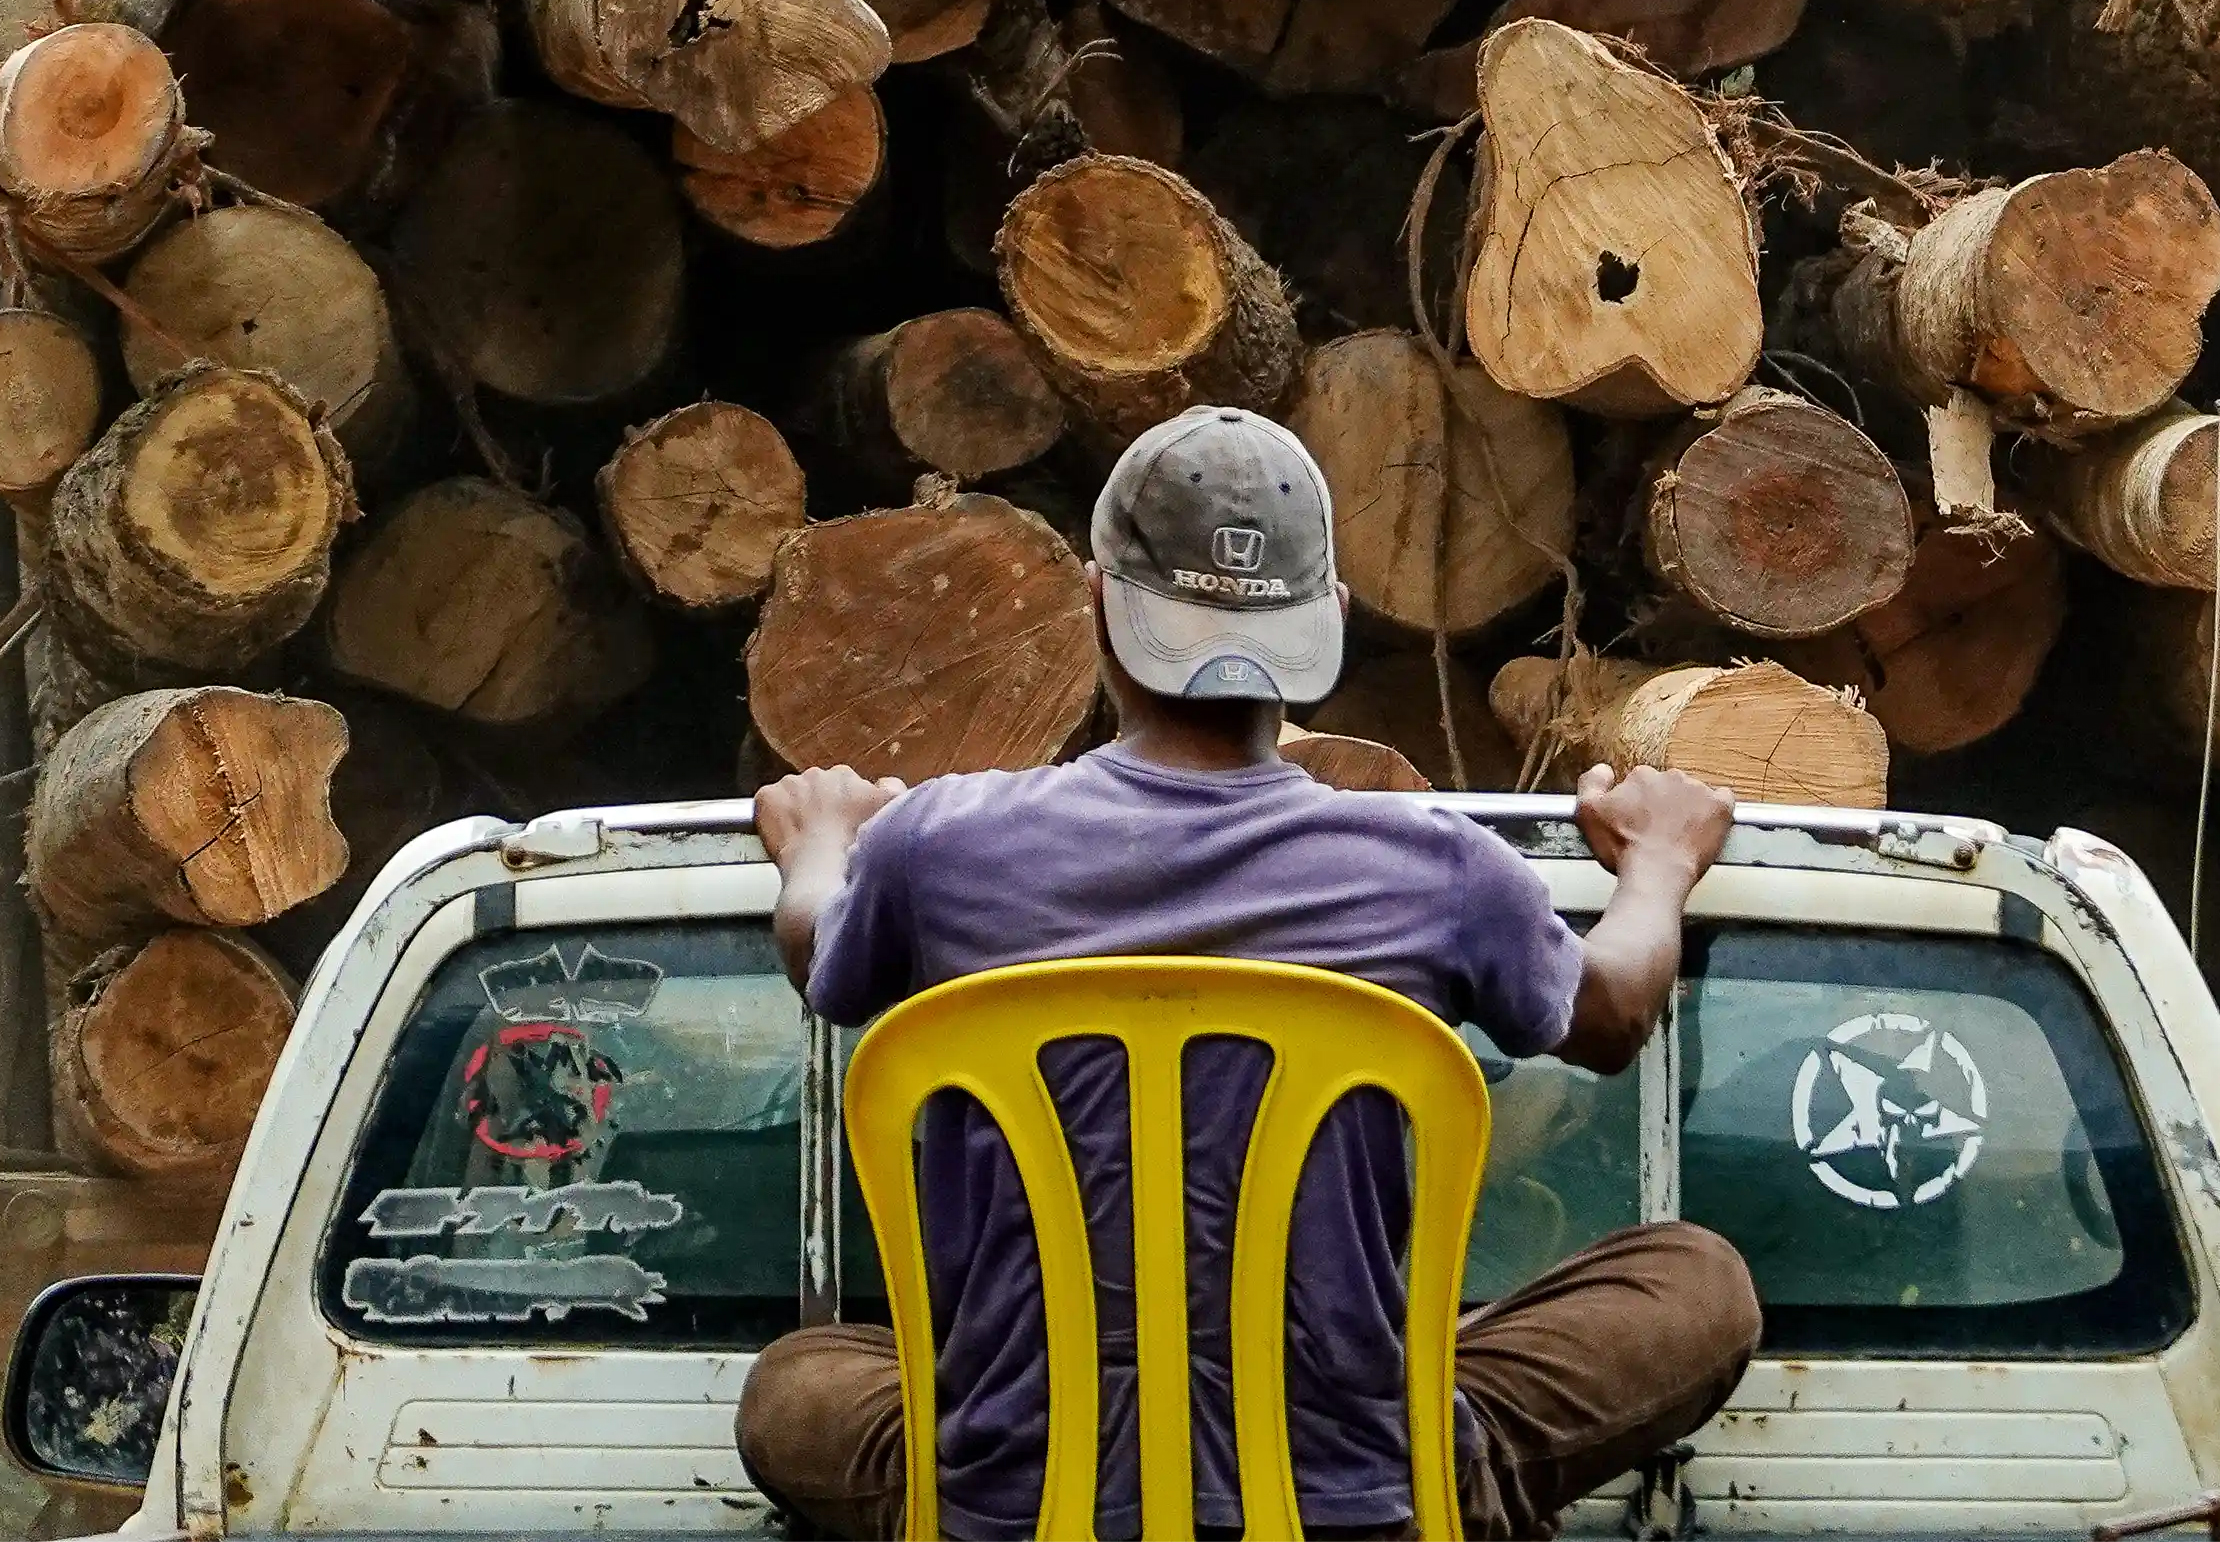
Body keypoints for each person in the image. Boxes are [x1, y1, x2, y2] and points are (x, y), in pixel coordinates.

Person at [739, 403, 1756, 1540]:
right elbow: (1611, 1013)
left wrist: (821, 840)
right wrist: (1659, 865)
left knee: (799, 1384)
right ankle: (1446, 1480)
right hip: (1360, 1500)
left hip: (1014, 1503)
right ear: (1322, 624)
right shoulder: (1439, 871)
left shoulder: (933, 848)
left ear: (1098, 611)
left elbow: (819, 954)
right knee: (1696, 1281)